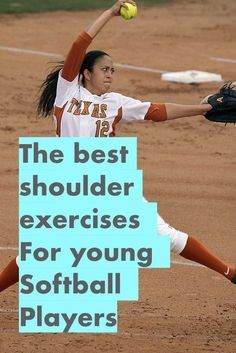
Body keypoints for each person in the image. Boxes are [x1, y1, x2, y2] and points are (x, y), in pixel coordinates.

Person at [0, 0, 235, 293]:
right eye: (104, 69)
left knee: (166, 236)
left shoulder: (116, 103)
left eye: (113, 70)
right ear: (86, 73)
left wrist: (203, 109)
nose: (110, 74)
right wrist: (110, 13)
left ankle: (229, 272)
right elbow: (79, 42)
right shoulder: (67, 90)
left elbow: (158, 111)